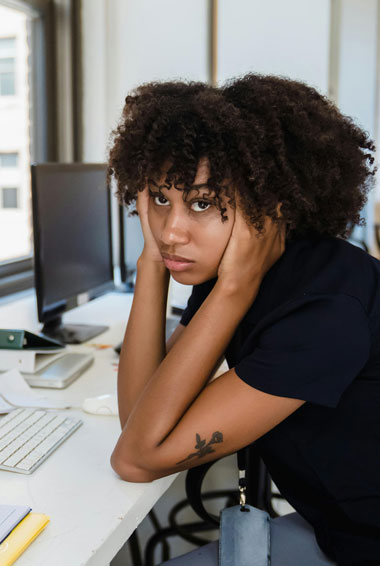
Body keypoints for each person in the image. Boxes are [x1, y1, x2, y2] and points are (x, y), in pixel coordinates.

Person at [107, 74, 380, 566]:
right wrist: (151, 264)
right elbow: (140, 420)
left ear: (271, 205)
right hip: (336, 528)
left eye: (203, 203)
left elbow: (136, 458)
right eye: (160, 198)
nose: (172, 231)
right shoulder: (235, 267)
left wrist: (234, 290)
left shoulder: (325, 309)